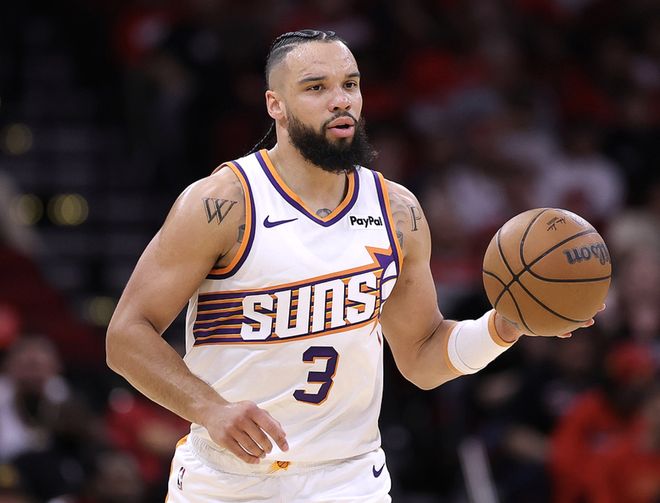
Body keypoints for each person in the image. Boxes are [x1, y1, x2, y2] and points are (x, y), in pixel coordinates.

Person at [106, 29, 598, 502]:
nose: (340, 100)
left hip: (348, 480)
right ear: (275, 105)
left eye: (350, 84)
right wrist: (209, 409)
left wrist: (504, 327)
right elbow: (126, 336)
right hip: (228, 482)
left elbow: (423, 356)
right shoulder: (223, 203)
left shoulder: (397, 211)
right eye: (316, 88)